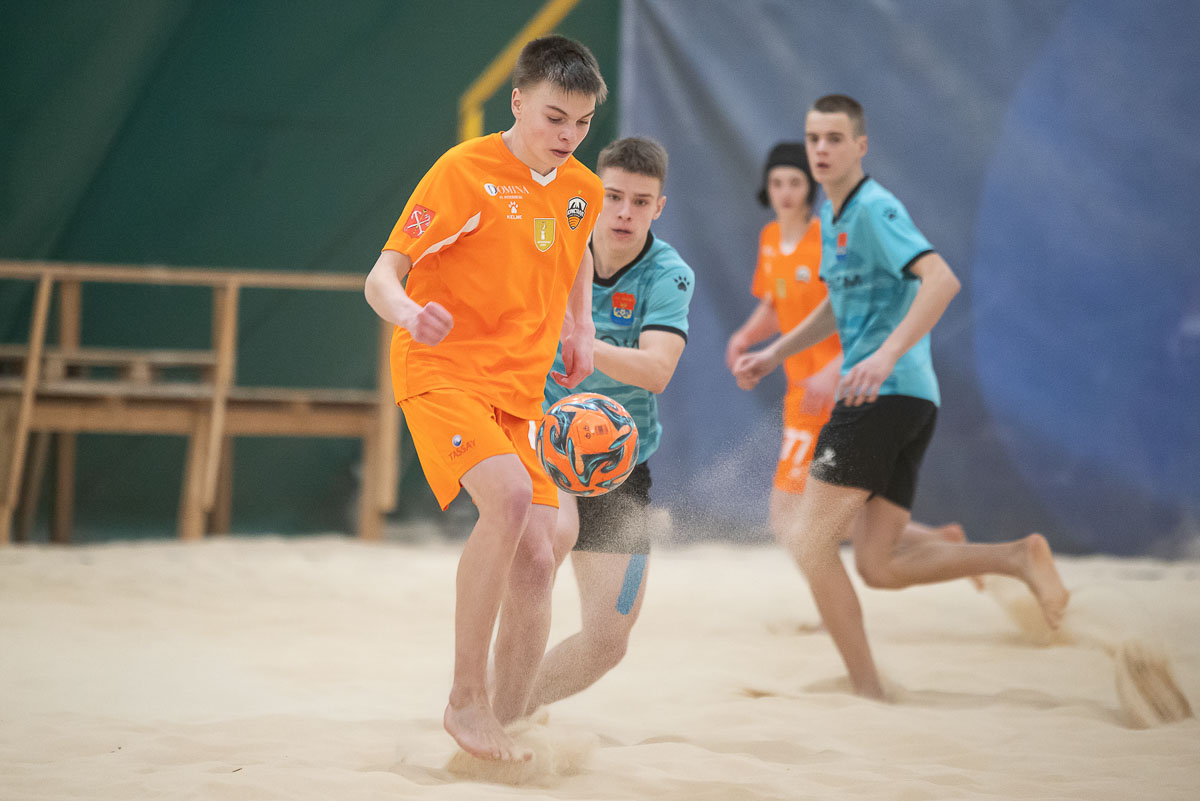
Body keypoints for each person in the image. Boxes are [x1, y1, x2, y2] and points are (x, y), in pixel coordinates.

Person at [734, 95, 1070, 699]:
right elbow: (837, 306)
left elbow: (941, 280)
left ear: (861, 146)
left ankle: (867, 688)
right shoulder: (833, 218)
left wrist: (885, 354)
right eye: (814, 138)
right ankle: (1019, 557)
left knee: (809, 540)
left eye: (835, 138)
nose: (821, 149)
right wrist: (776, 352)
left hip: (880, 395)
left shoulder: (873, 208)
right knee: (879, 565)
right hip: (908, 400)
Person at [363, 35, 606, 762]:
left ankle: (508, 719)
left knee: (540, 555)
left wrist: (581, 324)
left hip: (519, 391)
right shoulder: (463, 171)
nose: (567, 136)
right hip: (441, 369)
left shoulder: (583, 189)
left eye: (583, 123)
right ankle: (465, 701)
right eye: (555, 118)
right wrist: (410, 313)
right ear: (518, 100)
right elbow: (380, 277)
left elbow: (575, 249)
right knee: (508, 498)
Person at [726, 142, 971, 559]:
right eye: (777, 182)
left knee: (790, 515)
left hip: (838, 386)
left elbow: (847, 310)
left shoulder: (827, 237)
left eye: (795, 182)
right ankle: (935, 540)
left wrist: (835, 370)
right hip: (800, 387)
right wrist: (745, 337)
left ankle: (839, 591)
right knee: (817, 515)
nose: (785, 192)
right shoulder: (770, 239)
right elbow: (774, 302)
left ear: (810, 188)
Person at [525, 136, 694, 713]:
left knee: (607, 641)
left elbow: (657, 370)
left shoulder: (668, 274)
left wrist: (582, 340)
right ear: (594, 194)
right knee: (548, 544)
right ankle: (487, 711)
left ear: (659, 207)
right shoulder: (553, 247)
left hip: (618, 464)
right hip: (545, 441)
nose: (624, 213)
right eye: (614, 197)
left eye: (640, 202)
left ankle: (512, 707)